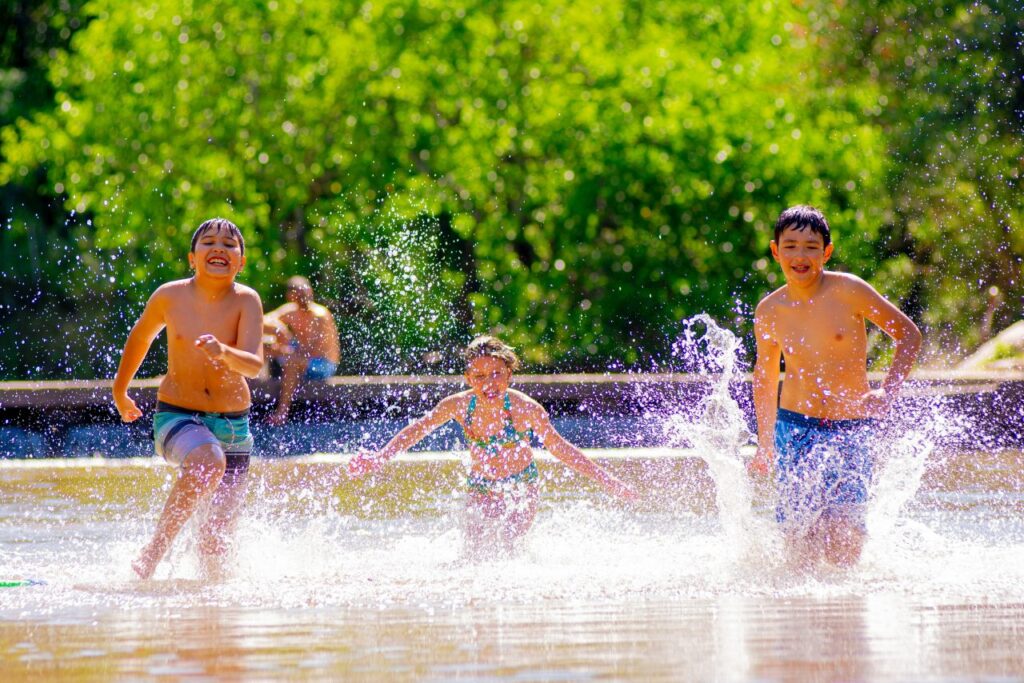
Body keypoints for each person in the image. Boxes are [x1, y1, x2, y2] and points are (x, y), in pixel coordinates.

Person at [347, 335, 638, 558]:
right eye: (480, 377)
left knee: (510, 549)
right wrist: (380, 456)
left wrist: (608, 480)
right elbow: (418, 430)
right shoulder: (459, 405)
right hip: (481, 485)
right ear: (468, 379)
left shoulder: (526, 409)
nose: (489, 383)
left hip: (521, 486)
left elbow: (561, 449)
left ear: (510, 374)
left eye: (497, 374)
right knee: (473, 553)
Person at [748, 205, 922, 568]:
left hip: (850, 429)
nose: (800, 255)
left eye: (810, 247)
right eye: (791, 245)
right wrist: (765, 444)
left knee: (845, 541)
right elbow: (765, 379)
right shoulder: (770, 310)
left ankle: (847, 616)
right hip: (794, 428)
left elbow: (908, 334)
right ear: (775, 250)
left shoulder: (849, 291)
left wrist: (887, 391)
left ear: (826, 252)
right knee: (800, 545)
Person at [112, 218, 264, 580]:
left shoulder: (247, 300)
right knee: (208, 463)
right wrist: (120, 392)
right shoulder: (170, 296)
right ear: (192, 258)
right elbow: (140, 339)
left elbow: (254, 365)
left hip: (234, 426)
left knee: (216, 545)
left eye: (230, 246)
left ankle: (209, 620)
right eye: (209, 242)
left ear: (241, 262)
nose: (219, 249)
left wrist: (223, 352)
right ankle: (153, 553)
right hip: (178, 416)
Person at [263, 276, 341, 424]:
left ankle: (282, 413)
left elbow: (315, 351)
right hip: (301, 356)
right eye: (298, 294)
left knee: (292, 362)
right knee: (265, 345)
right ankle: (257, 383)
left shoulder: (320, 315)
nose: (303, 298)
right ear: (290, 296)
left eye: (305, 293)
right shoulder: (291, 311)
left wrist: (284, 351)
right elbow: (261, 320)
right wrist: (279, 330)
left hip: (323, 364)